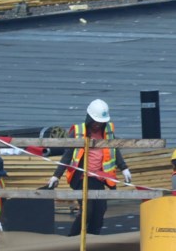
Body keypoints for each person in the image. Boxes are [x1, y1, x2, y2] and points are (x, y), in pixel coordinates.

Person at [47, 98, 131, 235]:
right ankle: (73, 238)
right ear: (89, 118)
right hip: (81, 178)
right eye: (95, 121)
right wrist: (56, 175)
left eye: (100, 122)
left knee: (100, 211)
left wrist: (124, 168)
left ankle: (93, 238)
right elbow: (67, 155)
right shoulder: (78, 131)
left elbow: (114, 149)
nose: (98, 125)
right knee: (87, 211)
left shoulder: (108, 131)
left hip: (99, 178)